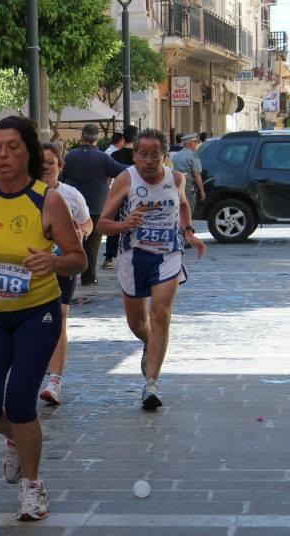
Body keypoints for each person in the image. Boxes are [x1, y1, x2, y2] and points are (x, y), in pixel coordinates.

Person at [0, 116, 86, 521]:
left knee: (20, 402)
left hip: (37, 314)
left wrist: (54, 261)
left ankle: (33, 486)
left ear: (28, 152)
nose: (3, 155)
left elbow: (78, 258)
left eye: (12, 147)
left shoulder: (48, 200)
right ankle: (17, 440)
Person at [97, 128, 206, 411]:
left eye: (154, 155)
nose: (148, 160)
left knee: (161, 313)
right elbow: (102, 224)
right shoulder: (126, 179)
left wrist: (189, 232)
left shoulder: (176, 179)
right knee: (138, 324)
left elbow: (183, 206)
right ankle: (149, 342)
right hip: (134, 257)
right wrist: (124, 225)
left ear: (164, 156)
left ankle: (151, 384)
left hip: (168, 254)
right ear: (134, 156)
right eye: (142, 154)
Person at [38, 142, 94, 406]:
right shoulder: (25, 193)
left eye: (51, 162)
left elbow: (87, 222)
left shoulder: (71, 194)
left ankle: (55, 381)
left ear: (60, 166)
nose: (45, 167)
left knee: (59, 316)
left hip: (62, 263)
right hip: (32, 265)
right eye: (41, 162)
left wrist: (82, 232)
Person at [62, 124, 128, 286]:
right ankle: (89, 277)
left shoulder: (70, 156)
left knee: (70, 239)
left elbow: (62, 176)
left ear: (82, 137)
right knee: (92, 244)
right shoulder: (102, 158)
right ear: (96, 139)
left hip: (71, 205)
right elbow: (122, 171)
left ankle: (66, 273)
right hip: (96, 204)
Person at [105, 127, 137, 269]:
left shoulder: (114, 155)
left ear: (123, 138)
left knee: (114, 224)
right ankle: (134, 253)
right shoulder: (138, 156)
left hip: (117, 193)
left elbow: (109, 177)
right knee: (136, 223)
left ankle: (109, 258)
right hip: (136, 194)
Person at [172, 133, 206, 215]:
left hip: (175, 186)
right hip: (189, 187)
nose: (196, 145)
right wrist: (202, 191)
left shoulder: (176, 155)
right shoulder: (193, 156)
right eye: (195, 142)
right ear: (190, 144)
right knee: (189, 210)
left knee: (178, 211)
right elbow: (197, 175)